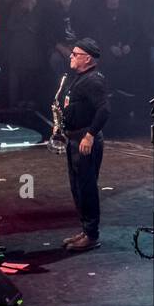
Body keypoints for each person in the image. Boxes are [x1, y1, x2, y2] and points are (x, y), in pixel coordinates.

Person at [56, 38, 109, 252]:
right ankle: (86, 230)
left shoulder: (94, 80)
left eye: (75, 53)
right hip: (74, 138)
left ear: (87, 58)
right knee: (77, 187)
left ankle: (92, 234)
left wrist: (90, 135)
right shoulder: (79, 78)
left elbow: (104, 110)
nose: (71, 56)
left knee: (86, 187)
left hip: (85, 140)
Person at [45, 0, 80, 80]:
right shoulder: (50, 12)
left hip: (78, 45)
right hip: (58, 47)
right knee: (56, 60)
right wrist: (63, 49)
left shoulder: (80, 10)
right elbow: (48, 35)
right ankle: (64, 84)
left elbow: (87, 31)